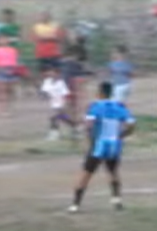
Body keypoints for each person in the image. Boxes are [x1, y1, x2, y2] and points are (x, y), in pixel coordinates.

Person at [68, 82, 136, 213]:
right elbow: (131, 125)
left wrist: (88, 140)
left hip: (99, 145)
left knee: (86, 174)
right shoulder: (120, 107)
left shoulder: (95, 107)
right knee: (113, 172)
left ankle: (75, 205)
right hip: (114, 145)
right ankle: (117, 200)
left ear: (100, 93)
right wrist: (122, 135)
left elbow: (89, 125)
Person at [41, 67, 76, 141]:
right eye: (50, 72)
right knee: (62, 117)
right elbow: (44, 91)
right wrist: (45, 96)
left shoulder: (61, 83)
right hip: (52, 102)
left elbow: (66, 94)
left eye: (53, 72)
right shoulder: (47, 81)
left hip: (60, 102)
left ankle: (54, 134)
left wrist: (67, 103)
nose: (51, 74)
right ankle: (74, 126)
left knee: (53, 117)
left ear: (58, 74)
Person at [0, 36, 19, 116]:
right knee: (2, 90)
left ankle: (9, 106)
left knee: (10, 89)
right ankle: (3, 109)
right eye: (1, 40)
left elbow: (15, 60)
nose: (3, 41)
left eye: (5, 40)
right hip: (0, 69)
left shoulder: (13, 50)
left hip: (12, 69)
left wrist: (15, 69)